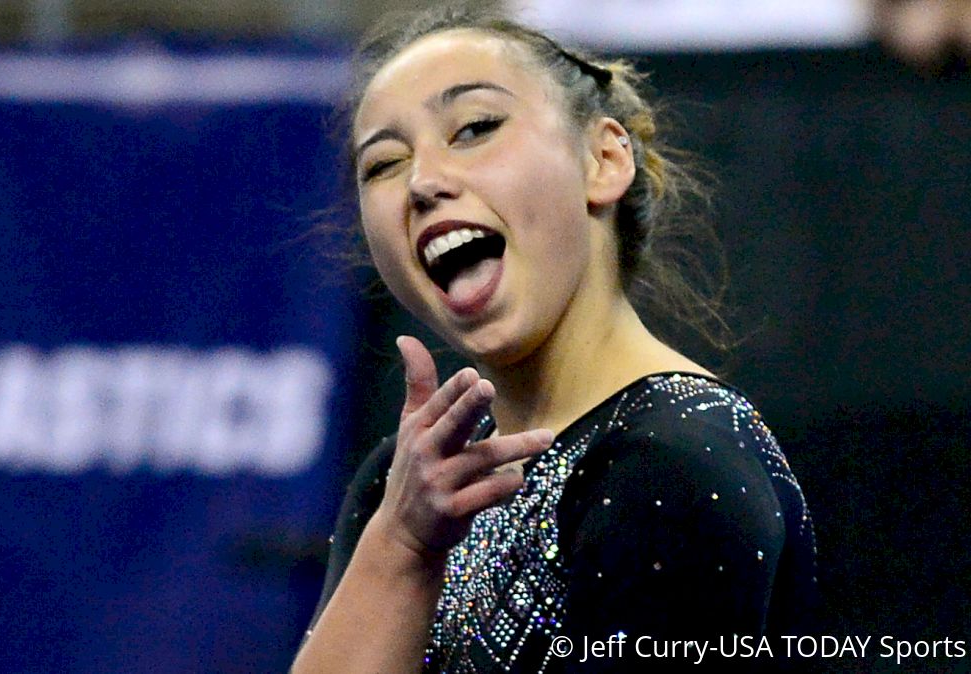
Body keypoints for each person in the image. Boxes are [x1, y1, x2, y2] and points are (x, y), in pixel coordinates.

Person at [292, 3, 817, 672]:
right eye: (384, 165)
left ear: (603, 158)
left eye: (475, 127)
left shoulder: (672, 464)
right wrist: (398, 546)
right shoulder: (405, 485)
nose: (422, 182)